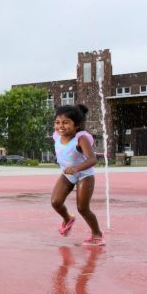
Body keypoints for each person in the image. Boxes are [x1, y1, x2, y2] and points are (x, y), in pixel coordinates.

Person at [50, 104, 104, 246]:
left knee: (82, 208)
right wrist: (71, 170)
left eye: (66, 122)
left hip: (84, 174)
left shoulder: (80, 140)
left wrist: (77, 168)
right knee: (56, 202)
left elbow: (93, 159)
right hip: (68, 174)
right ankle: (67, 218)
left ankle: (97, 233)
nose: (60, 126)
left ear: (77, 125)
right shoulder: (56, 137)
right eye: (57, 122)